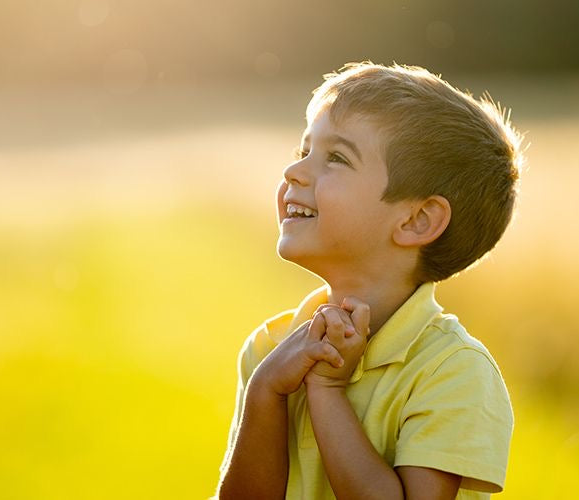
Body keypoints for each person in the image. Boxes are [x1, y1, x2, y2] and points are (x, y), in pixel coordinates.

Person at [216, 61, 524, 500]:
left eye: (336, 158)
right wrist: (265, 391)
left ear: (417, 220)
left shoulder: (453, 371)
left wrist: (325, 390)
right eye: (303, 151)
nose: (294, 172)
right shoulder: (273, 348)